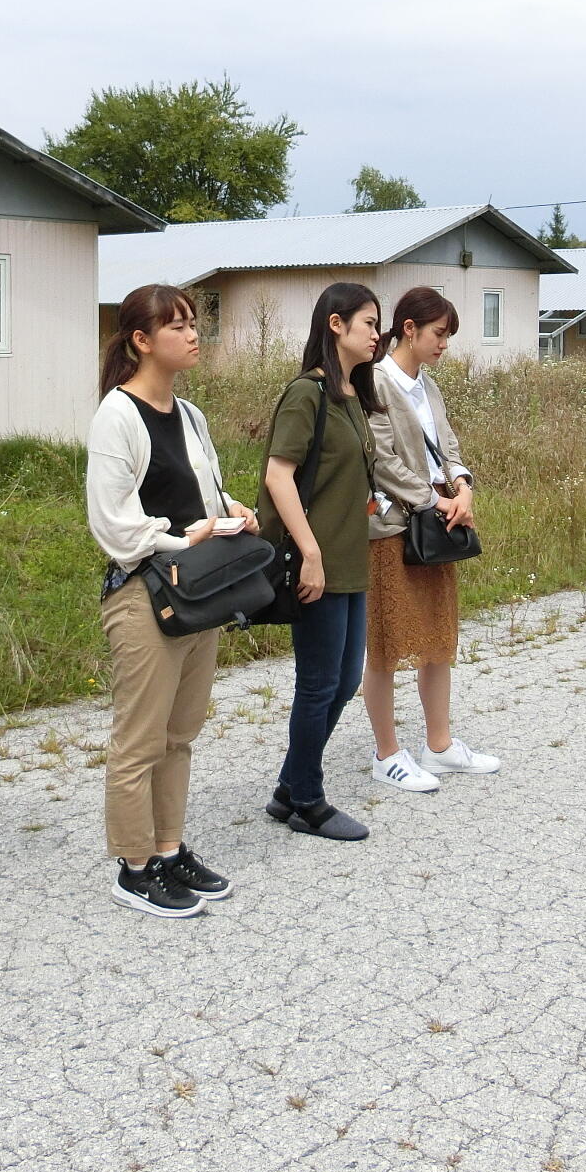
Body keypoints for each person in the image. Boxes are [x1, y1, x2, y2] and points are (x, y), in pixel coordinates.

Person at [86, 284, 258, 916]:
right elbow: (114, 525)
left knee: (180, 734)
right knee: (140, 738)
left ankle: (168, 846)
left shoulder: (189, 416)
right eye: (179, 326)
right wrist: (185, 536)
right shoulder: (118, 415)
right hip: (145, 595)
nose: (193, 335)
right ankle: (134, 868)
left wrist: (231, 511)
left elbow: (204, 494)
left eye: (194, 324)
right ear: (141, 341)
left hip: (199, 591)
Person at [258, 282, 383, 841]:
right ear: (336, 325)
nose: (377, 335)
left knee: (344, 680)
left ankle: (290, 787)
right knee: (317, 683)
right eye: (369, 323)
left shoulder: (353, 395)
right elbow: (277, 475)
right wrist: (309, 552)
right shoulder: (305, 394)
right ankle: (307, 798)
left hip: (350, 558)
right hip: (318, 562)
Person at [362, 286, 498, 793]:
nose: (444, 344)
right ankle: (387, 752)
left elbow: (449, 444)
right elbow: (380, 457)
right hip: (395, 525)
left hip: (438, 522)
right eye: (439, 334)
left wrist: (462, 486)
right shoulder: (375, 381)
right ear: (409, 329)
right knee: (387, 640)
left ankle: (438, 745)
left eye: (448, 336)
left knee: (439, 635)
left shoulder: (428, 385)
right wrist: (432, 498)